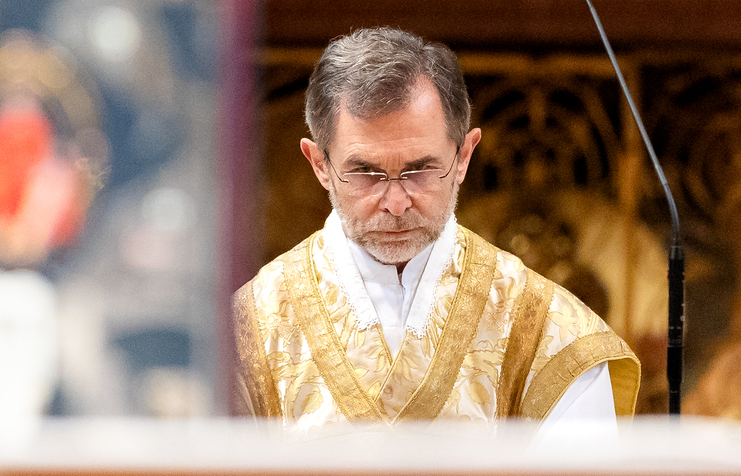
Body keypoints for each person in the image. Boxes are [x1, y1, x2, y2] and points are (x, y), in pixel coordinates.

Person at [233, 27, 640, 434]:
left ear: (463, 157)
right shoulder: (244, 334)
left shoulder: (555, 337)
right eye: (365, 172)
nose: (396, 203)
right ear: (320, 164)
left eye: (420, 170)